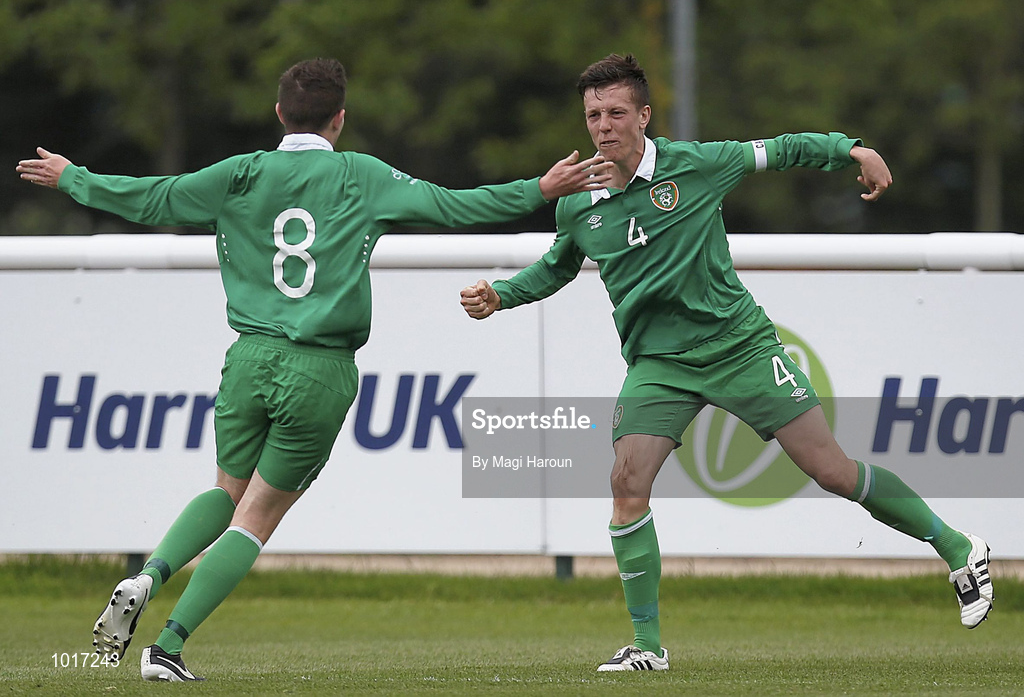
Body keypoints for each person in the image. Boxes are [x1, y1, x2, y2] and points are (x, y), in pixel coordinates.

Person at [17, 57, 612, 682]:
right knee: (258, 515)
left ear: (279, 114)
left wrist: (73, 178)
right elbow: (454, 207)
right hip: (320, 367)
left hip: (247, 358)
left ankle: (147, 575)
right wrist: (539, 191)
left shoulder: (240, 173)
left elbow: (152, 197)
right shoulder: (360, 175)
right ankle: (167, 646)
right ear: (341, 119)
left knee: (227, 489)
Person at [459, 53, 993, 672]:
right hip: (659, 363)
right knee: (627, 483)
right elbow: (555, 266)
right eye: (593, 115)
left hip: (738, 348)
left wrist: (852, 150)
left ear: (644, 116)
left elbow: (784, 149)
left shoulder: (697, 166)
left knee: (832, 472)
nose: (602, 126)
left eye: (615, 113)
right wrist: (502, 295)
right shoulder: (579, 200)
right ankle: (647, 648)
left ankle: (958, 547)